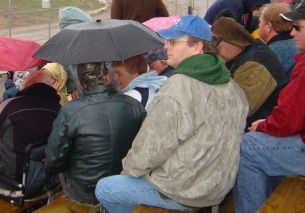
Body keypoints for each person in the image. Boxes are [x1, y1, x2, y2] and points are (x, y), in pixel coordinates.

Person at [96, 15, 248, 212]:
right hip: (217, 186)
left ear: (197, 47)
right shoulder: (231, 85)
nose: (166, 46)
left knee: (105, 188)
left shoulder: (178, 87)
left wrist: (129, 169)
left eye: (173, 41)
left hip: (184, 190)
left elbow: (151, 148)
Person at [233, 0, 305, 213]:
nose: (292, 33)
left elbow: (290, 119)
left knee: (249, 145)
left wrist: (262, 125)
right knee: (267, 144)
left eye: (298, 27)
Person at [45, 62, 146, 205]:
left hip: (85, 191)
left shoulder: (70, 111)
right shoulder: (134, 105)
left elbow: (53, 160)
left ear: (79, 84)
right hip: (123, 183)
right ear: (108, 77)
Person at [0, 70, 61, 189]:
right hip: (46, 177)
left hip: (12, 181)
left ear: (27, 85)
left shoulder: (10, 106)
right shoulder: (58, 109)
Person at [211, 17, 286, 128]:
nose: (215, 53)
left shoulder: (256, 65)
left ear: (234, 43)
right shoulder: (244, 53)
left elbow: (240, 109)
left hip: (254, 127)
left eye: (218, 48)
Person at [258, 3, 300, 83]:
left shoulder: (268, 55)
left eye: (260, 22)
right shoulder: (300, 46)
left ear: (268, 27)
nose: (259, 25)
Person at [204, 0, 270, 32]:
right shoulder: (234, 4)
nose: (257, 9)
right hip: (210, 32)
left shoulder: (248, 6)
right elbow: (233, 31)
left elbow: (247, 28)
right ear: (252, 0)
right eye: (257, 5)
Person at [59, 6, 93, 99]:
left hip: (99, 94)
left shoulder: (94, 44)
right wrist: (72, 87)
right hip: (81, 94)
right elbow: (67, 67)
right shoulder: (68, 47)